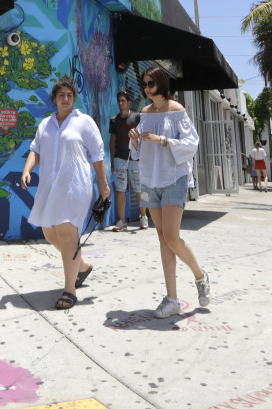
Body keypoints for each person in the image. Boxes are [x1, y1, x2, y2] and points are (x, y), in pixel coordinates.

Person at [128, 66, 211, 319]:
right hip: (149, 180)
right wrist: (135, 141)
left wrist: (164, 141)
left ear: (161, 84)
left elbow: (191, 144)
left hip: (174, 178)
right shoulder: (144, 113)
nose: (146, 88)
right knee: (162, 238)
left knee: (172, 237)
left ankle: (200, 275)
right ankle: (172, 298)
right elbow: (139, 151)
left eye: (151, 83)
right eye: (144, 84)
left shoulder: (177, 111)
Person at [21, 75, 110, 310]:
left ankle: (70, 291)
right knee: (49, 231)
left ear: (74, 98)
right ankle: (81, 265)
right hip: (50, 187)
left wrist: (103, 184)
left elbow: (97, 156)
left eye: (70, 95)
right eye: (61, 95)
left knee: (67, 232)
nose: (66, 99)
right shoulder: (45, 125)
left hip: (75, 185)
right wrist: (27, 170)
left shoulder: (84, 122)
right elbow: (35, 150)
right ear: (55, 98)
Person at [107, 90, 146, 231]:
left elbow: (142, 138)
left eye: (123, 100)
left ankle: (143, 217)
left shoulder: (137, 118)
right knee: (120, 190)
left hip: (136, 159)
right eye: (119, 101)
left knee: (139, 188)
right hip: (119, 158)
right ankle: (122, 221)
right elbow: (112, 141)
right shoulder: (114, 120)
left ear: (129, 102)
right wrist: (112, 160)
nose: (121, 103)